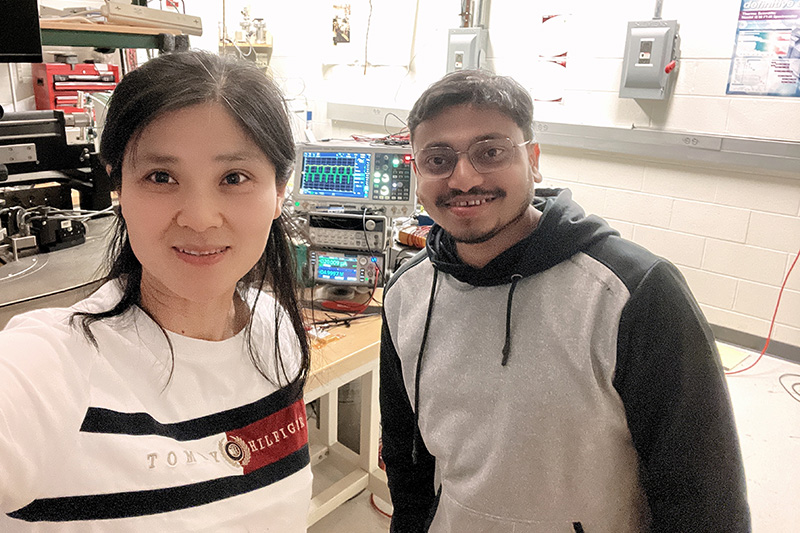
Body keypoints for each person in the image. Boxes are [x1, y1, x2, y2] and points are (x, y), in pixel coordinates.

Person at [379, 70, 751, 532]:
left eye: (490, 152)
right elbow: (407, 463)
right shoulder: (407, 293)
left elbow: (703, 497)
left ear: (533, 161)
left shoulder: (633, 293)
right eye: (438, 159)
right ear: (418, 173)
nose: (464, 178)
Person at [0, 51, 312, 531]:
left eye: (234, 178)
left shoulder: (276, 328)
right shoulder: (49, 365)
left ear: (280, 192)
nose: (200, 218)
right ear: (119, 188)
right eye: (161, 177)